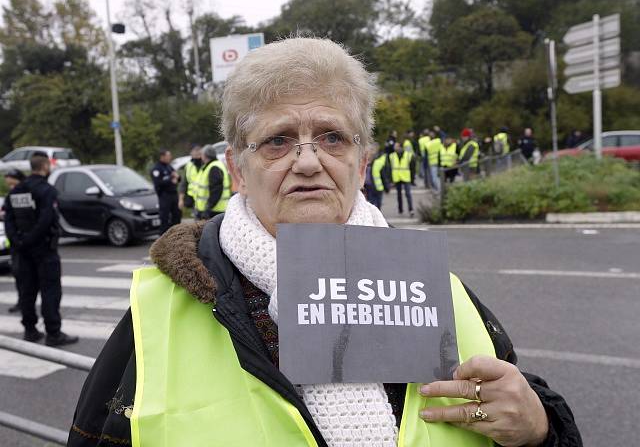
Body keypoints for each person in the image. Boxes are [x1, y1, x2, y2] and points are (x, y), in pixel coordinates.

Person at [69, 37, 581, 447]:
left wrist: (541, 429)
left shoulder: (440, 291)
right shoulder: (160, 314)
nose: (309, 161)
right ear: (237, 170)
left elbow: (520, 407)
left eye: (332, 137)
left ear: (361, 164)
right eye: (278, 140)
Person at [4, 152, 78, 346]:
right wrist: (30, 240)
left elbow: (9, 220)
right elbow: (46, 220)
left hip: (22, 251)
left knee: (26, 291)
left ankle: (30, 330)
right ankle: (53, 333)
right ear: (45, 166)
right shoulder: (46, 191)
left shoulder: (16, 191)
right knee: (50, 291)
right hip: (44, 250)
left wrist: (19, 241)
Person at [3, 169, 25, 313]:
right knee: (18, 274)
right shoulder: (11, 196)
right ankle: (22, 302)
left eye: (12, 183)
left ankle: (25, 302)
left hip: (24, 241)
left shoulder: (25, 194)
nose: (11, 187)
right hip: (16, 243)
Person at [193, 144, 230, 220]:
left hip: (214, 211)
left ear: (205, 155)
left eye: (202, 154)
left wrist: (208, 208)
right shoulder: (211, 165)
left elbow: (216, 190)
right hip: (213, 209)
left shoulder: (214, 167)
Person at [151, 149, 181, 234]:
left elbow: (178, 178)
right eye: (168, 156)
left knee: (177, 216)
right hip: (164, 196)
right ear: (162, 157)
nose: (170, 157)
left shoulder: (169, 166)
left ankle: (176, 235)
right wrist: (171, 179)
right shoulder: (157, 169)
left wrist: (177, 177)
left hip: (174, 195)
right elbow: (158, 182)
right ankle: (163, 238)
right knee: (164, 218)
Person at [390, 141, 415, 217]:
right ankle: (400, 209)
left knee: (408, 194)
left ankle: (411, 209)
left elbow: (412, 168)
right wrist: (391, 180)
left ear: (401, 147)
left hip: (406, 177)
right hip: (397, 177)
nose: (394, 147)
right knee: (399, 195)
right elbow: (390, 168)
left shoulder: (408, 155)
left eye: (396, 146)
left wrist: (412, 179)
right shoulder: (392, 155)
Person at [178, 144, 203, 211]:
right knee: (197, 220)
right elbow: (183, 183)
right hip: (193, 199)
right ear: (191, 153)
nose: (197, 156)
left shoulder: (206, 164)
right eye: (195, 153)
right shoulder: (189, 165)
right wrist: (181, 200)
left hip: (205, 199)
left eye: (199, 154)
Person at [364, 144, 389, 209]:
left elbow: (383, 176)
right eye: (370, 150)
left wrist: (386, 187)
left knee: (377, 206)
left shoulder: (378, 162)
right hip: (368, 188)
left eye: (373, 150)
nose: (371, 152)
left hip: (377, 188)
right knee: (370, 205)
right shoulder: (364, 161)